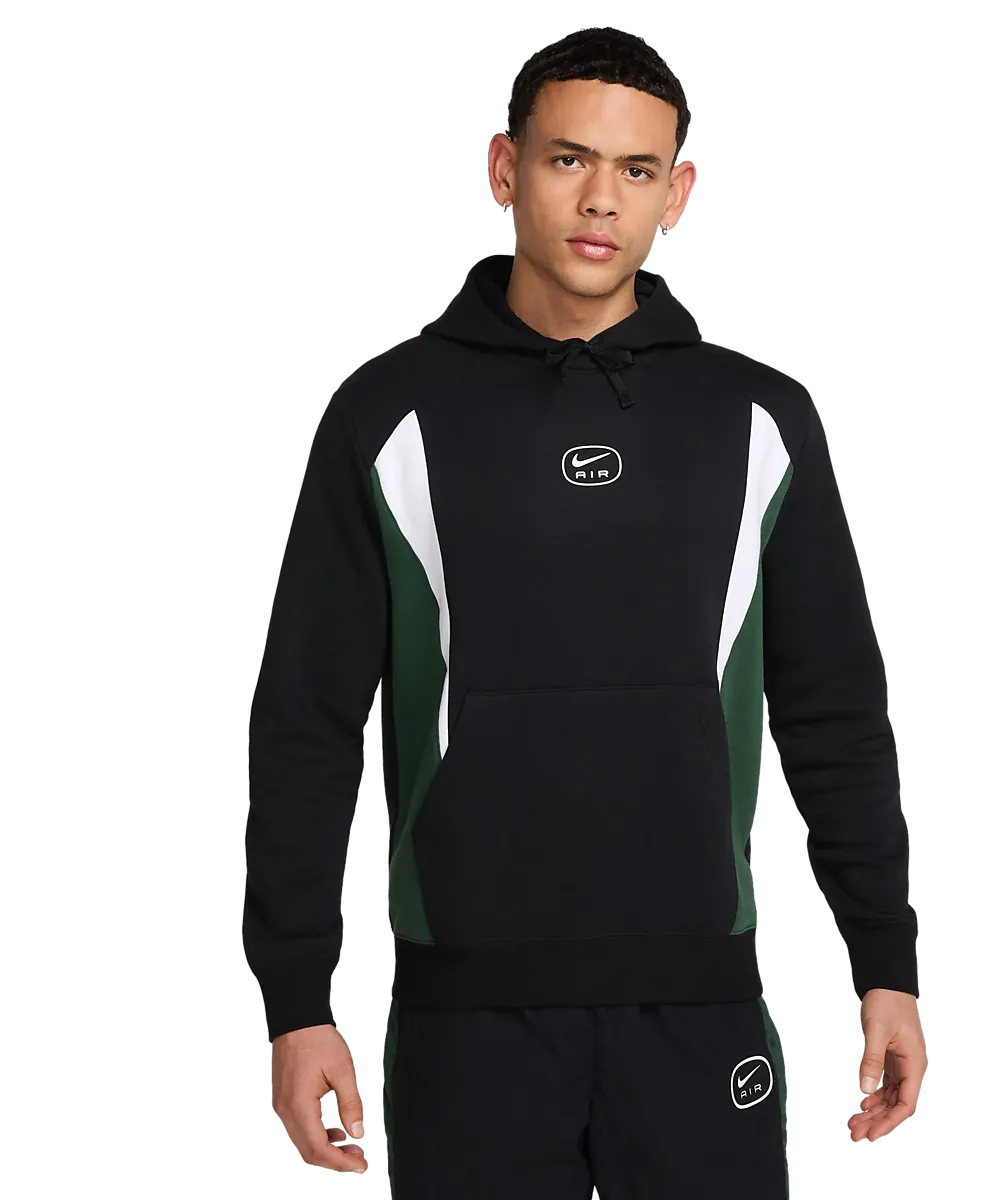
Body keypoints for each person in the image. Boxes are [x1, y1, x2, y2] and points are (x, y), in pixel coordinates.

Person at [243, 24, 924, 1193]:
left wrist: (888, 966)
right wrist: (299, 1002)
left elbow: (837, 716)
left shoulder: (760, 421)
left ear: (680, 193)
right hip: (468, 1014)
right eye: (568, 160)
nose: (601, 199)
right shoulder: (386, 417)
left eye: (637, 169)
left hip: (702, 1003)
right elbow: (306, 723)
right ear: (503, 168)